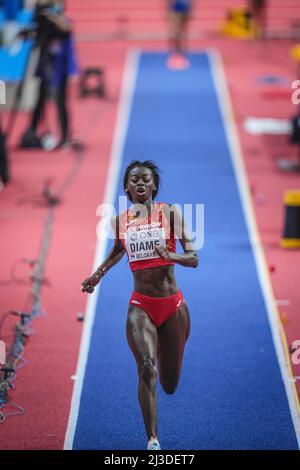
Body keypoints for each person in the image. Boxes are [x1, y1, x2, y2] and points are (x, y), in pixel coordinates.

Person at [81, 160, 199, 450]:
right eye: (135, 180)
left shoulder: (170, 213)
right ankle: (153, 441)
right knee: (147, 367)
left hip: (172, 307)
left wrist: (172, 256)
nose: (141, 184)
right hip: (141, 306)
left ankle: (164, 345)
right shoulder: (120, 221)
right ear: (126, 187)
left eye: (146, 179)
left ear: (154, 185)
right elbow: (118, 251)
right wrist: (97, 275)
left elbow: (194, 258)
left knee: (169, 385)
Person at [21, 0, 78, 149]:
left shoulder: (61, 20)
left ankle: (65, 137)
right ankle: (32, 132)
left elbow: (67, 27)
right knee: (39, 102)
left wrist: (51, 15)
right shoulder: (41, 20)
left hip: (60, 68)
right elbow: (29, 34)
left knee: (60, 102)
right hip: (44, 65)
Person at [166, 0, 192, 69]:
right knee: (175, 32)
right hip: (175, 9)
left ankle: (182, 52)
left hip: (184, 9)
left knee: (182, 32)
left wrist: (190, 8)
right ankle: (174, 51)